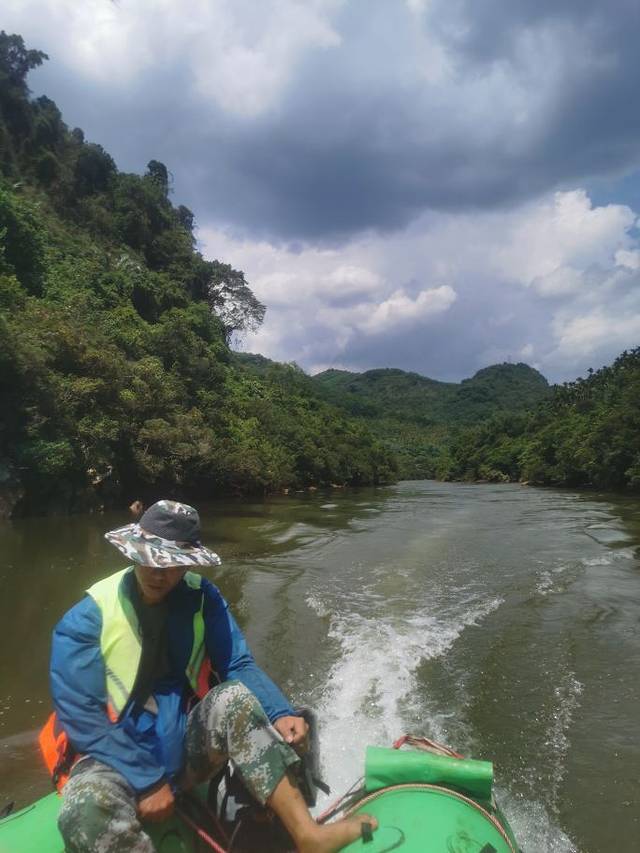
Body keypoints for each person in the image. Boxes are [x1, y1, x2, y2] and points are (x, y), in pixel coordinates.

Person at [40, 500, 375, 852]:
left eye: (171, 564)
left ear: (187, 563)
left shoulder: (203, 598)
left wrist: (279, 712)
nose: (157, 573)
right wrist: (148, 780)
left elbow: (237, 664)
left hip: (181, 742)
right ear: (134, 553)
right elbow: (82, 715)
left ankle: (307, 835)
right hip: (113, 756)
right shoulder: (85, 619)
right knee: (82, 811)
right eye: (149, 558)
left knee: (233, 697)